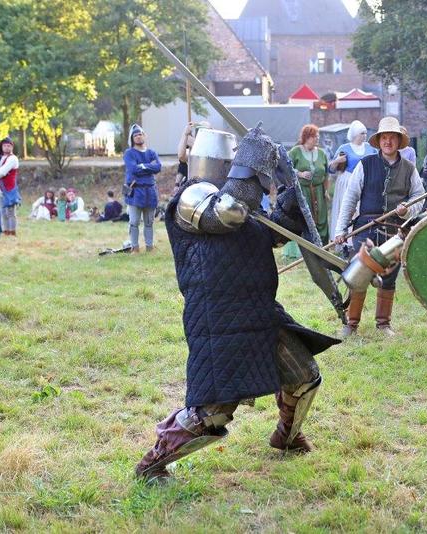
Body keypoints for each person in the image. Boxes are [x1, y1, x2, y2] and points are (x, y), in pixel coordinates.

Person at [134, 125, 339, 482]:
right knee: (212, 412)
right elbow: (228, 214)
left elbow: (272, 232)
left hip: (259, 310)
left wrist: (291, 196)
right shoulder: (191, 198)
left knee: (304, 376)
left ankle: (286, 437)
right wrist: (253, 163)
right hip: (219, 318)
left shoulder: (242, 206)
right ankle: (151, 465)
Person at [333, 116, 425, 337]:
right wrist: (340, 230)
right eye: (384, 138)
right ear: (379, 141)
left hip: (395, 230)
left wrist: (407, 210)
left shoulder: (410, 169)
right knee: (359, 275)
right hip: (366, 227)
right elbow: (350, 198)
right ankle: (351, 324)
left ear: (398, 141)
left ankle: (383, 324)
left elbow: (419, 197)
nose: (388, 142)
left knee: (389, 277)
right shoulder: (365, 165)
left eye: (392, 138)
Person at [327, 120, 376, 249]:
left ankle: (361, 238)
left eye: (365, 133)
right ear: (355, 134)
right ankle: (345, 241)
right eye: (361, 133)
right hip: (347, 181)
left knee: (362, 209)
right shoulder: (344, 148)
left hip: (366, 181)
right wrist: (337, 161)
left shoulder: (370, 147)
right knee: (347, 208)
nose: (364, 135)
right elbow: (331, 169)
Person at [287, 124, 330, 246]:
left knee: (321, 219)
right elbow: (286, 168)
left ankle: (323, 247)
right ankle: (308, 248)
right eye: (314, 136)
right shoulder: (295, 151)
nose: (317, 138)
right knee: (305, 219)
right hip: (302, 191)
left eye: (318, 136)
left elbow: (326, 174)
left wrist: (326, 190)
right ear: (306, 137)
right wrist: (300, 174)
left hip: (319, 191)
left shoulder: (321, 153)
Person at [123, 124, 162, 252]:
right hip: (135, 191)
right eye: (135, 135)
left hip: (150, 191)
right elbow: (133, 169)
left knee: (149, 222)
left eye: (140, 134)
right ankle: (135, 247)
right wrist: (149, 166)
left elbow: (158, 167)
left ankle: (149, 247)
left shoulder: (151, 153)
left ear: (144, 136)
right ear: (132, 138)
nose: (138, 137)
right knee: (134, 222)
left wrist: (142, 166)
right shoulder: (129, 153)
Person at [0, 137, 21, 236]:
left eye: (9, 146)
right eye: (5, 146)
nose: (7, 147)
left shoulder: (13, 158)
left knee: (11, 212)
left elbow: (3, 171)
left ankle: (12, 232)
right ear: (1, 147)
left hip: (10, 189)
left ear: (12, 147)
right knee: (3, 212)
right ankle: (6, 231)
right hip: (0, 189)